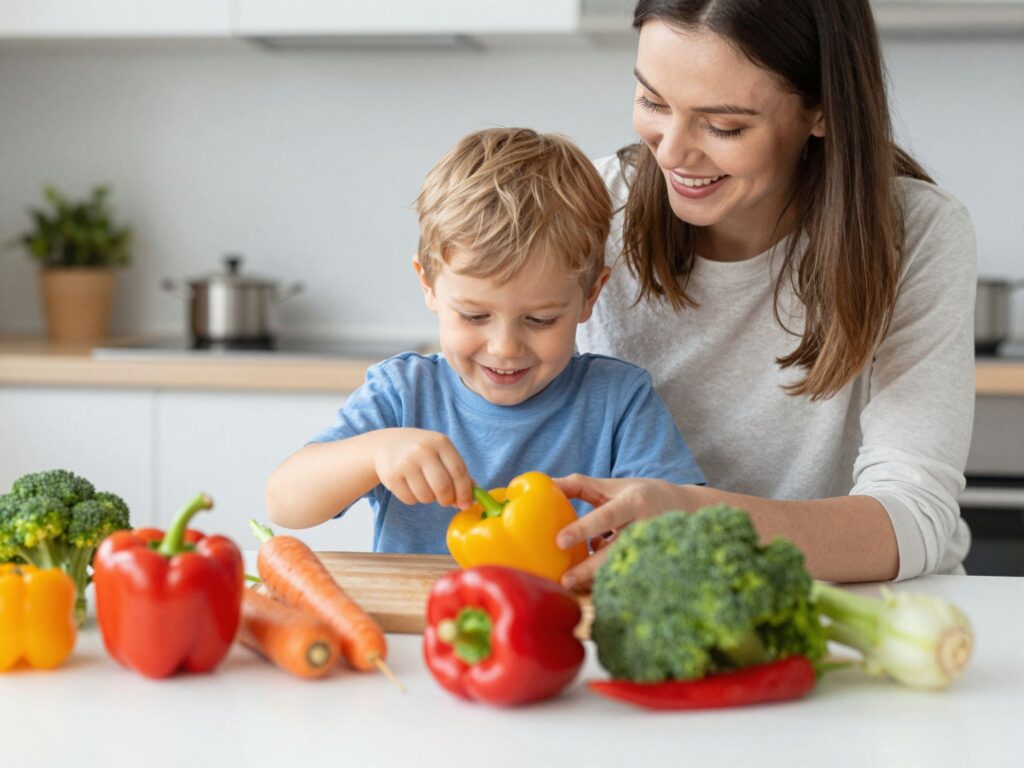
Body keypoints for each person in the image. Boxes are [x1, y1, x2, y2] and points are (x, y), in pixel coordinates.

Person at [555, 0, 976, 588]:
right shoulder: (590, 208)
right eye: (652, 102)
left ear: (822, 111)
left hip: (854, 604)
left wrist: (697, 521)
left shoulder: (919, 233)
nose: (671, 151)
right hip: (643, 598)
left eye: (723, 125)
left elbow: (914, 517)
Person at [265, 127, 704, 553]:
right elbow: (283, 502)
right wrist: (374, 453)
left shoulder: (619, 401)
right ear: (429, 285)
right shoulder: (402, 393)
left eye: (539, 319)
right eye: (475, 315)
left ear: (590, 296)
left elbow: (681, 524)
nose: (505, 347)